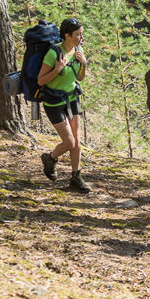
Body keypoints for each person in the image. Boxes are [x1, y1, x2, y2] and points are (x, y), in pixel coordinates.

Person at [38, 19, 92, 193]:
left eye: (82, 34)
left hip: (72, 97)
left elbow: (81, 78)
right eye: (77, 35)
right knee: (69, 141)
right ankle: (50, 158)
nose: (81, 38)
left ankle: (76, 177)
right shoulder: (54, 53)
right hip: (54, 101)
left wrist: (84, 64)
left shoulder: (78, 50)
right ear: (67, 36)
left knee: (76, 140)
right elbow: (41, 80)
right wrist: (57, 69)